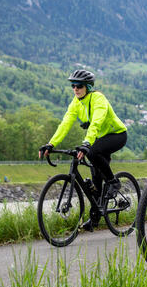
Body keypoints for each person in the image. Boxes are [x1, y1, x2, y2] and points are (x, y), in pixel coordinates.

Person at [39, 69, 128, 231]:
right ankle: (95, 219)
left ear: (87, 86)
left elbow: (96, 122)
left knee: (93, 153)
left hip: (117, 135)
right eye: (73, 86)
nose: (75, 89)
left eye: (79, 86)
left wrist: (87, 143)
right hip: (99, 138)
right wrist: (51, 144)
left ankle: (114, 182)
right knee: (95, 179)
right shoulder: (76, 102)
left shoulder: (98, 98)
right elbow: (65, 124)